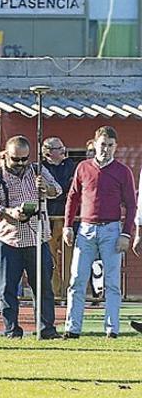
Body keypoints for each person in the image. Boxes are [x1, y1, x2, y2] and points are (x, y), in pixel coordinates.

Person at [0, 135, 61, 339]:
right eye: (16, 159)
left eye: (24, 159)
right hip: (8, 239)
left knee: (43, 287)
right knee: (7, 287)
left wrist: (46, 188)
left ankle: (46, 329)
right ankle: (11, 330)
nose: (21, 164)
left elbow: (57, 190)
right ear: (6, 155)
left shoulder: (37, 170)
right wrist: (10, 212)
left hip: (37, 238)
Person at [64, 126, 136, 339]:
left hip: (112, 230)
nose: (106, 149)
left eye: (110, 145)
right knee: (77, 280)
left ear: (116, 147)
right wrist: (68, 225)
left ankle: (111, 329)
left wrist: (126, 233)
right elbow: (73, 197)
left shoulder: (123, 171)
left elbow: (131, 205)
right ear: (94, 144)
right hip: (85, 229)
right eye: (102, 144)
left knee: (112, 282)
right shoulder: (83, 168)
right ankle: (72, 328)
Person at [41, 137, 77, 297]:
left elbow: (72, 189)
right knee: (50, 258)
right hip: (48, 217)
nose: (63, 150)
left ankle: (69, 292)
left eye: (63, 147)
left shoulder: (71, 166)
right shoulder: (40, 168)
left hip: (68, 217)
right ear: (48, 152)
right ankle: (54, 293)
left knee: (70, 257)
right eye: (59, 148)